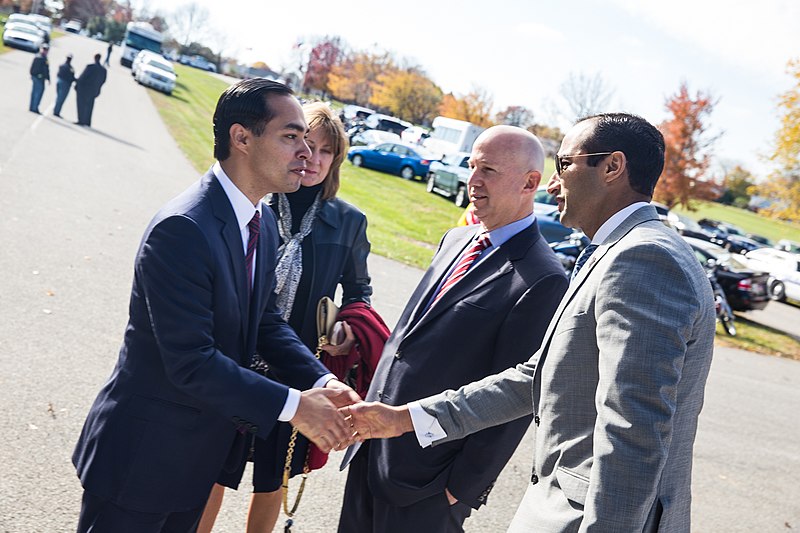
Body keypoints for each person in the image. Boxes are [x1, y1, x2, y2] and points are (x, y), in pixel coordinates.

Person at [344, 113, 716, 532]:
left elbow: (633, 430)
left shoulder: (644, 259)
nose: (553, 184)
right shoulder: (619, 251)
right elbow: (534, 378)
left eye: (564, 164)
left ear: (612, 167)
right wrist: (406, 418)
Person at [72, 79, 360, 533]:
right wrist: (297, 406)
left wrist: (320, 379)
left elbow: (264, 319)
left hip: (196, 460)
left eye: (307, 139)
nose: (306, 152)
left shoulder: (259, 217)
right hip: (142, 462)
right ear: (241, 138)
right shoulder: (184, 227)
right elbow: (190, 361)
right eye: (291, 137)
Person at [338, 126, 569, 533]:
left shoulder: (542, 278)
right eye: (472, 165)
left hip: (428, 484)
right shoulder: (457, 238)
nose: (472, 180)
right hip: (371, 452)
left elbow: (514, 398)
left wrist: (460, 491)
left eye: (489, 170)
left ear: (530, 183)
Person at [198, 102, 380, 533]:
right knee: (214, 467)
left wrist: (349, 327)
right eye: (306, 144)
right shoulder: (258, 199)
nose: (312, 158)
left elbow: (359, 292)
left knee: (272, 479)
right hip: (238, 357)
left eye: (325, 151)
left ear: (337, 160)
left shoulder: (350, 221)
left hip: (298, 367)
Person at [74, 53, 107, 127]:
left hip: (84, 89)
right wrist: (98, 87)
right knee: (90, 106)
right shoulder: (103, 70)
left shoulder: (90, 67)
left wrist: (77, 85)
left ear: (95, 58)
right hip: (94, 91)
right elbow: (103, 80)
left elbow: (83, 77)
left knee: (81, 105)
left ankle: (81, 120)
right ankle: (87, 121)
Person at [28, 45, 50, 114]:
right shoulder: (41, 58)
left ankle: (32, 107)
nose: (45, 51)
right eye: (44, 49)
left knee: (34, 92)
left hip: (37, 77)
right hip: (39, 78)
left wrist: (48, 78)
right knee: (38, 93)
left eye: (46, 50)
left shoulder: (40, 57)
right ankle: (34, 108)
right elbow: (43, 70)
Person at [53, 53, 75, 118]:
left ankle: (56, 110)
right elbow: (71, 77)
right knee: (61, 98)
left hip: (59, 81)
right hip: (65, 84)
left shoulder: (62, 66)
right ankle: (56, 111)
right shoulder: (70, 68)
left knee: (58, 97)